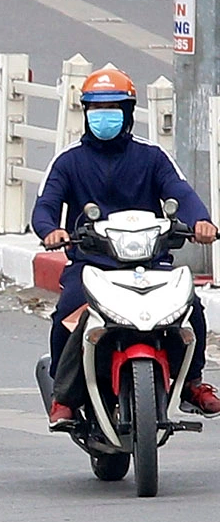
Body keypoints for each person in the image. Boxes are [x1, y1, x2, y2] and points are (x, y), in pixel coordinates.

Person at [34, 67, 220, 427]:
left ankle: (192, 383)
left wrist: (201, 221)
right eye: (96, 108)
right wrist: (51, 230)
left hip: (150, 262)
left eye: (114, 107)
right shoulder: (69, 161)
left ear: (129, 113)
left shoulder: (152, 158)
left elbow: (181, 193)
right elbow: (45, 205)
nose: (105, 116)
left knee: (190, 308)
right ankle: (64, 396)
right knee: (68, 314)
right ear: (86, 113)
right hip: (92, 264)